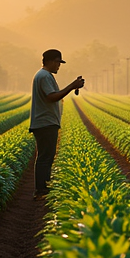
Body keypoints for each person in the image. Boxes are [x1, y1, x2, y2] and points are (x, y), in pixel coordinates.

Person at [29, 48, 84, 197]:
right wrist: (72, 86)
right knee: (45, 156)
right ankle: (41, 189)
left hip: (45, 122)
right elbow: (52, 97)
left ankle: (43, 187)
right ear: (51, 61)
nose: (59, 66)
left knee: (46, 155)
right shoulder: (45, 76)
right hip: (45, 122)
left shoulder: (43, 75)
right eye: (58, 62)